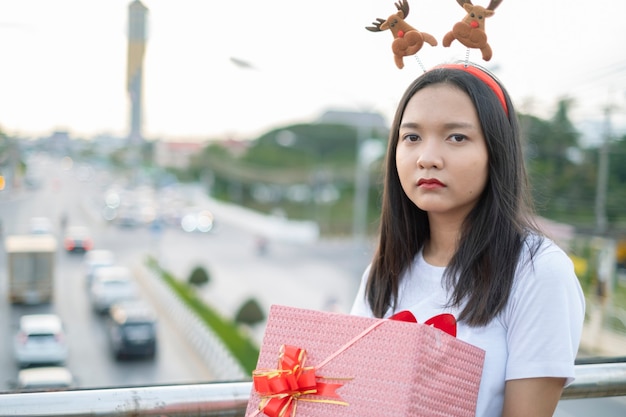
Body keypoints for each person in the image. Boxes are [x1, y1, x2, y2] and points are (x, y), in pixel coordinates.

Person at [350, 63, 585, 417]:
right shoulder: (382, 273)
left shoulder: (538, 272)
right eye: (412, 137)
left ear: (496, 151)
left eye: (456, 137)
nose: (427, 158)